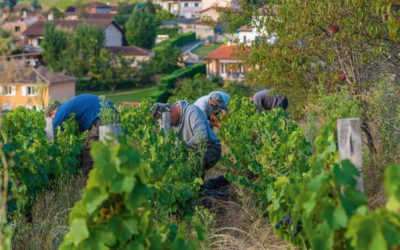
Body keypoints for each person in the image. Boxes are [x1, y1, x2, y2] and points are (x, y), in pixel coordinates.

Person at [44, 94, 118, 173]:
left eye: (51, 118)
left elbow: (50, 132)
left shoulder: (61, 110)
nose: (53, 120)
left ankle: (88, 178)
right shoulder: (68, 106)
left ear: (53, 112)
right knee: (110, 150)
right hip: (110, 112)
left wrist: (36, 141)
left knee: (89, 148)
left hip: (104, 116)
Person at [151, 101, 221, 172]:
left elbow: (202, 137)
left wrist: (182, 147)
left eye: (169, 121)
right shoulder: (165, 119)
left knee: (191, 164)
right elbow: (166, 143)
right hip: (189, 151)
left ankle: (198, 182)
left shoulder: (192, 111)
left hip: (210, 148)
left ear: (170, 110)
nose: (170, 125)